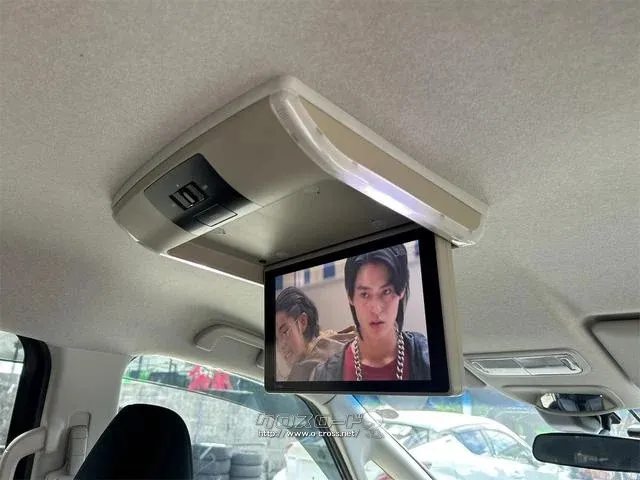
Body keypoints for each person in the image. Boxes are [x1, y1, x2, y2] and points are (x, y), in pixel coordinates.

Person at [312, 244, 430, 381]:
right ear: (350, 297)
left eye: (386, 292)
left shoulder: (428, 359)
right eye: (365, 294)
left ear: (401, 290)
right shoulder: (324, 375)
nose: (376, 309)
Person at [276, 286, 357, 381]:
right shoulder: (335, 340)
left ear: (302, 322)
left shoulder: (304, 371)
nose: (281, 345)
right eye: (276, 339)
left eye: (284, 331)